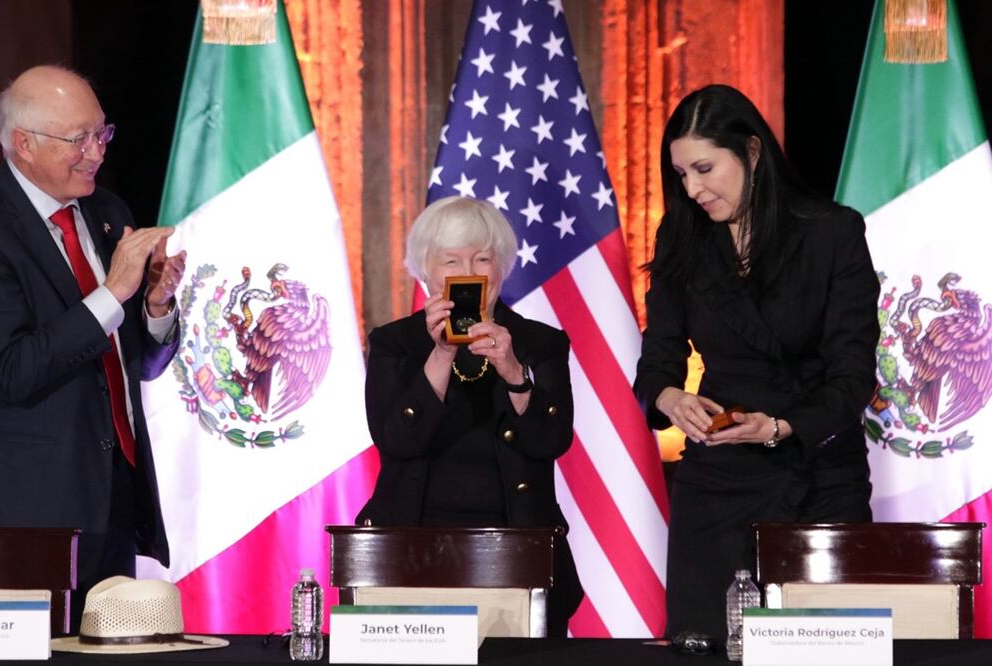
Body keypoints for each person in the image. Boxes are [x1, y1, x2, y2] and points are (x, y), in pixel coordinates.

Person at [0, 65, 186, 629]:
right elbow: (10, 371)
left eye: (102, 134)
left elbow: (135, 366)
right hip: (29, 514)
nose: (96, 152)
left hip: (114, 501)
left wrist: (154, 307)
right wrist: (113, 291)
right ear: (22, 144)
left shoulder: (108, 214)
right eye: (78, 139)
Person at [633, 84, 879, 640]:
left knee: (826, 647)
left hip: (820, 472)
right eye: (680, 174)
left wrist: (779, 427)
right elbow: (658, 361)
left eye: (703, 168)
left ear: (750, 151)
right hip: (718, 483)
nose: (692, 188)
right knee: (707, 644)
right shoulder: (680, 235)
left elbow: (853, 374)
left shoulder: (833, 233)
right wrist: (669, 397)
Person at [357, 196, 583, 636]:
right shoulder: (394, 344)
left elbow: (552, 439)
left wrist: (515, 372)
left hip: (517, 554)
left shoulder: (540, 343)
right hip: (412, 551)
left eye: (483, 258)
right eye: (451, 260)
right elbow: (397, 441)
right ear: (426, 271)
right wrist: (441, 354)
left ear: (502, 269)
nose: (469, 272)